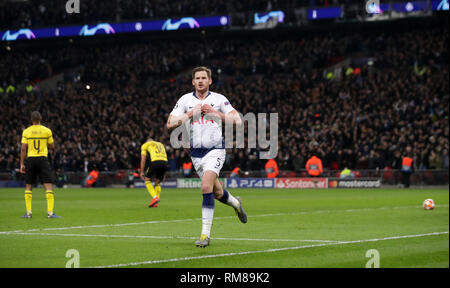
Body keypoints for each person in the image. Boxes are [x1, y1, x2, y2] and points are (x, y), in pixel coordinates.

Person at [166, 66, 247, 247]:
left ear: (210, 81)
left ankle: (205, 235)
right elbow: (170, 124)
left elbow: (238, 120)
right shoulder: (185, 100)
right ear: (193, 81)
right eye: (197, 78)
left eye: (204, 78)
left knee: (205, 187)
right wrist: (189, 114)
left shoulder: (219, 99)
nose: (201, 81)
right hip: (196, 154)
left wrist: (216, 113)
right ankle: (236, 203)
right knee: (217, 192)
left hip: (215, 149)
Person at [19, 111, 60, 218]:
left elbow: (23, 148)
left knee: (29, 186)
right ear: (40, 118)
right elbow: (52, 147)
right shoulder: (47, 131)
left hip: (31, 159)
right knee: (48, 186)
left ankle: (28, 213)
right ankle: (50, 213)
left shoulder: (26, 131)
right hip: (42, 159)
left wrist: (22, 164)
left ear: (31, 119)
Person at [140, 135, 168, 208]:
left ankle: (155, 197)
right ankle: (155, 203)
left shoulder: (145, 145)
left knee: (147, 180)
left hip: (155, 162)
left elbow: (143, 159)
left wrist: (142, 171)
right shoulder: (160, 144)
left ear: (147, 141)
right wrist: (164, 172)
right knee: (157, 182)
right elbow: (164, 155)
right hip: (165, 163)